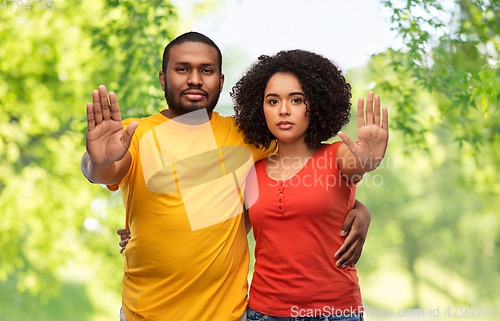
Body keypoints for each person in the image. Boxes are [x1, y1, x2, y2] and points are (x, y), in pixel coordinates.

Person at [82, 31, 371, 321]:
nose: (195, 79)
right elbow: (103, 170)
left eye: (206, 71)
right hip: (144, 313)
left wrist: (357, 208)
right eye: (182, 69)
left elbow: (306, 165)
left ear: (220, 82)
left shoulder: (248, 136)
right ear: (162, 78)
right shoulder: (136, 134)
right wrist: (97, 160)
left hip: (228, 314)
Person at [230, 50, 389, 320]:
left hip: (335, 311)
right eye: (273, 101)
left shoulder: (337, 156)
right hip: (264, 312)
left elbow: (356, 165)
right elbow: (228, 236)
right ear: (260, 109)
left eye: (296, 99)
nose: (283, 110)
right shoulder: (251, 172)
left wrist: (369, 160)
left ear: (315, 104)